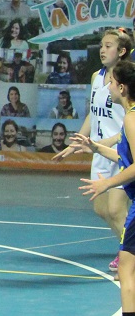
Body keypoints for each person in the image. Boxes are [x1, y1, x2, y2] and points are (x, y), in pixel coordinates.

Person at [67, 57, 135, 316]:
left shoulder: (132, 118)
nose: (107, 85)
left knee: (127, 271)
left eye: (111, 82)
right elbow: (123, 154)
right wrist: (94, 147)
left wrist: (106, 184)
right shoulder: (131, 118)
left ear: (122, 87)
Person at [58, 31, 135, 271]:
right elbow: (94, 112)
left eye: (108, 46)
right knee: (102, 209)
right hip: (101, 151)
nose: (102, 50)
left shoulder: (127, 82)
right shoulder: (96, 77)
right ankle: (124, 248)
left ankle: (128, 254)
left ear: (121, 51)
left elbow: (128, 122)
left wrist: (111, 143)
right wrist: (78, 141)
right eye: (101, 46)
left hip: (119, 149)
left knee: (116, 208)